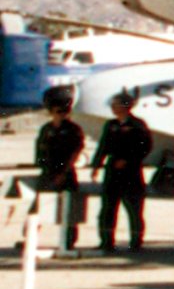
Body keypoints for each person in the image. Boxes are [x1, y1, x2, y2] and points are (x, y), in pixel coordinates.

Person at [92, 90, 154, 255]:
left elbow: (145, 146)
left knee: (134, 208)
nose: (113, 107)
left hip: (131, 171)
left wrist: (128, 160)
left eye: (116, 104)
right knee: (108, 208)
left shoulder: (137, 125)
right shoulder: (111, 124)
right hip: (112, 170)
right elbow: (103, 145)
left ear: (126, 106)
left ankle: (136, 241)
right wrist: (96, 164)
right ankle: (106, 241)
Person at [32, 86, 87, 252]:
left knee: (69, 210)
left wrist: (63, 173)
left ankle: (69, 241)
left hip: (66, 173)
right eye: (58, 111)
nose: (62, 114)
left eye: (64, 111)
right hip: (48, 173)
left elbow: (75, 152)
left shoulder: (73, 129)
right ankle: (30, 238)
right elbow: (40, 151)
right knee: (37, 208)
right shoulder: (46, 129)